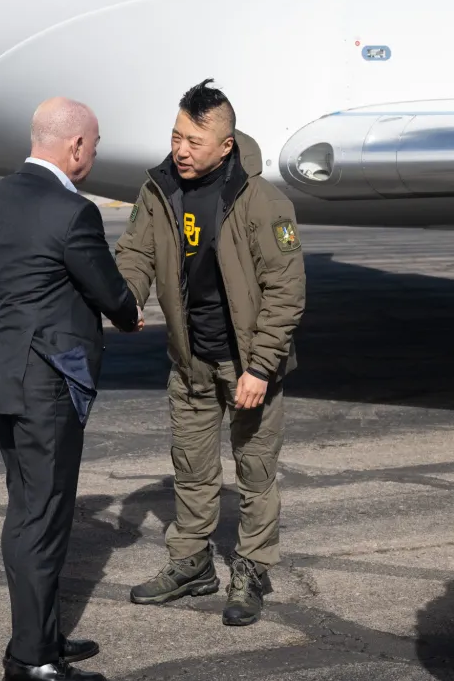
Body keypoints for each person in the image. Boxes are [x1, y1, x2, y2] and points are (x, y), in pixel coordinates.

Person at [0, 97, 141, 681]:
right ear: (77, 147)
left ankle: (42, 638)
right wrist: (129, 312)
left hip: (1, 378)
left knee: (26, 506)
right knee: (42, 515)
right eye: (94, 146)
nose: (92, 156)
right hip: (49, 383)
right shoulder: (72, 212)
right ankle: (32, 661)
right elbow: (110, 293)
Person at [114, 78, 306, 626]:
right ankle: (191, 562)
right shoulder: (159, 190)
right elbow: (135, 254)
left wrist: (262, 368)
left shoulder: (262, 201)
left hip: (247, 365)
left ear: (225, 146)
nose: (180, 149)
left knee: (254, 471)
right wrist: (125, 299)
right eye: (176, 136)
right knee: (192, 470)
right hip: (191, 359)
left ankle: (251, 570)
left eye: (194, 141)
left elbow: (286, 292)